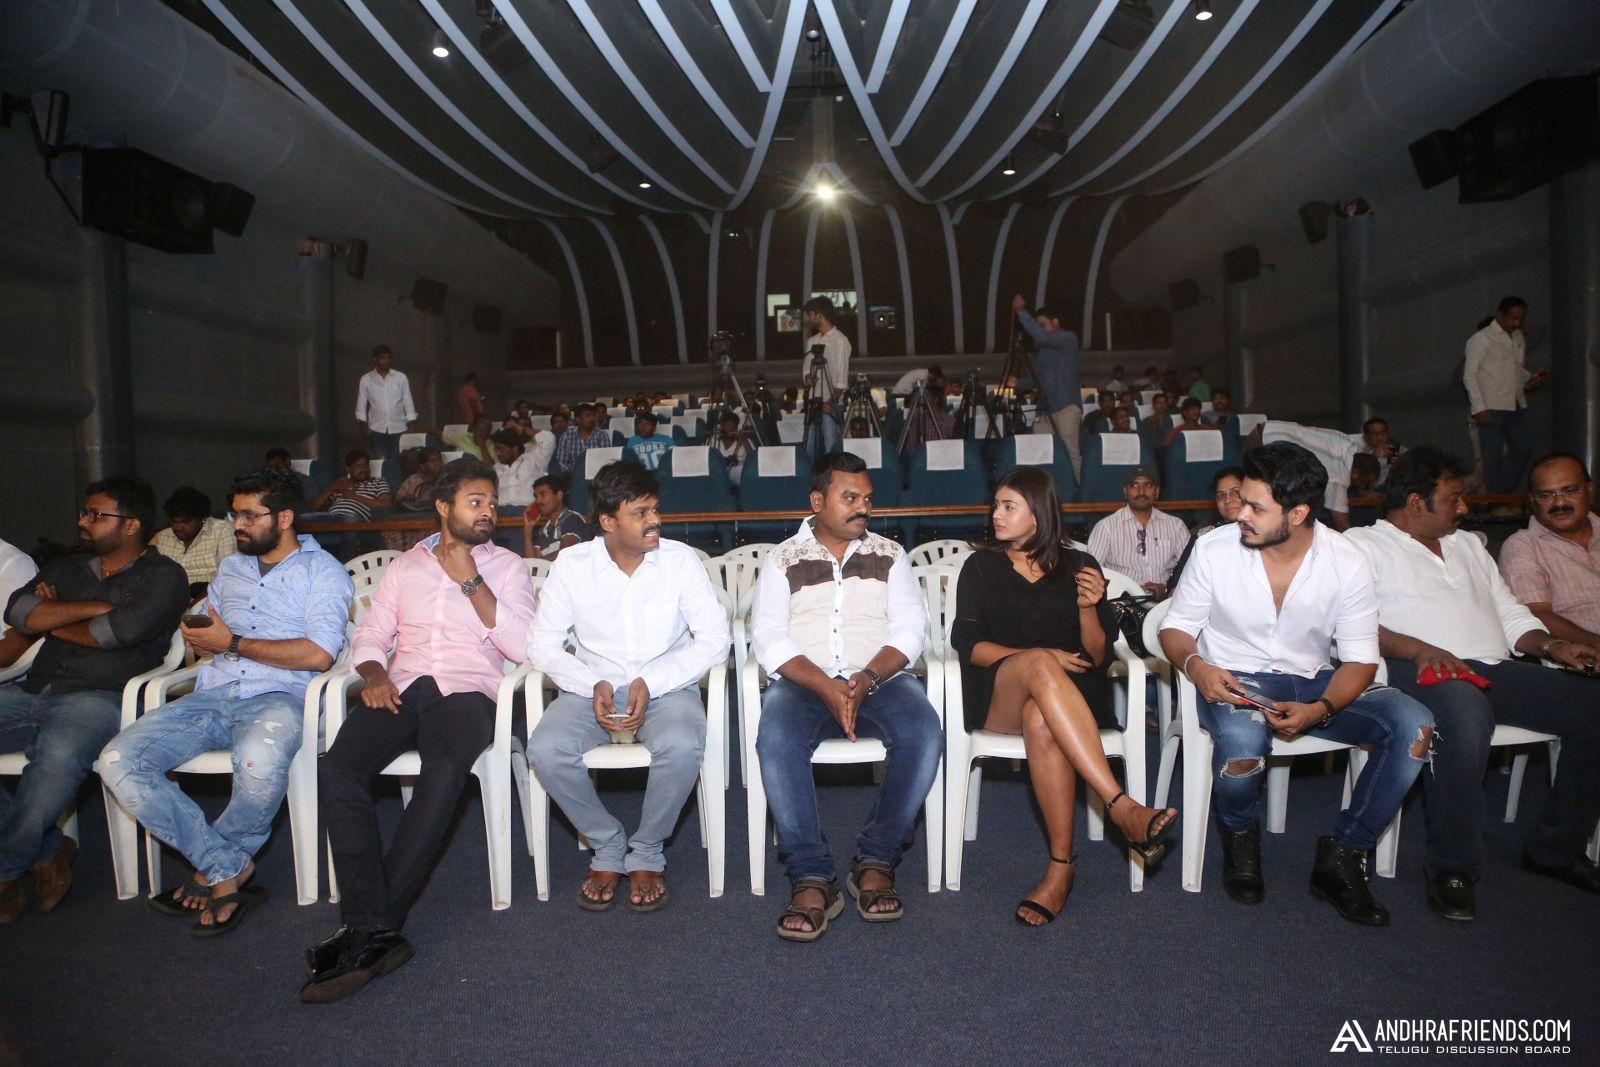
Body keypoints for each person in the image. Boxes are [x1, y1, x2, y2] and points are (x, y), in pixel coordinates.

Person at [1160, 443, 1433, 925]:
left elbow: (1360, 659)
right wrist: (1197, 667)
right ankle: (1240, 838)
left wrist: (1322, 708)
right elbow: (1176, 628)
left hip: (1314, 680)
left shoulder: (1347, 559)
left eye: (1255, 507)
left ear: (1299, 512)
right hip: (1236, 679)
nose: (1240, 514)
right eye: (1240, 501)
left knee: (1414, 725)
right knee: (1242, 744)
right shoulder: (1215, 548)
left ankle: (1344, 855)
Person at [302, 459, 537, 1003]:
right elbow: (370, 635)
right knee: (338, 767)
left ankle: (369, 924)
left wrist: (469, 579)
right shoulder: (405, 567)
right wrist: (374, 674)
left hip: (468, 692)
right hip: (402, 688)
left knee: (444, 770)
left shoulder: (507, 568)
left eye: (491, 503)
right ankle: (375, 926)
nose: (487, 512)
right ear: (443, 506)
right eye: (475, 502)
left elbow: (523, 647)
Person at [1345, 448, 1600, 917]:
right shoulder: (1360, 545)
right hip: (1410, 668)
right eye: (1454, 498)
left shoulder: (1467, 545)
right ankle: (1452, 867)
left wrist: (1551, 647)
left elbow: (1509, 614)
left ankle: (1555, 850)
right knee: (1465, 711)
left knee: (1593, 706)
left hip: (1489, 667)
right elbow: (1352, 624)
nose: (1464, 507)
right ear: (1417, 502)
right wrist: (1419, 649)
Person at [100, 468, 352, 933]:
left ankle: (213, 870)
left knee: (259, 759)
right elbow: (208, 634)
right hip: (214, 693)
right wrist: (197, 632)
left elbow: (319, 654)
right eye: (235, 515)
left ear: (284, 518)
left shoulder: (323, 572)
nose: (238, 525)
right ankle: (225, 866)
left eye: (250, 516)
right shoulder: (231, 568)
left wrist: (232, 642)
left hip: (278, 697)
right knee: (117, 760)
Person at [952, 468, 1177, 926]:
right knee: (1039, 662)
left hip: (1070, 701)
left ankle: (1061, 866)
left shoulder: (1081, 565)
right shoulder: (980, 567)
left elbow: (1096, 656)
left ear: (1038, 514)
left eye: (1009, 506)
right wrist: (1041, 658)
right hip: (999, 695)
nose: (996, 515)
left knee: (1042, 718)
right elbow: (969, 645)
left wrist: (1088, 609)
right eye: (996, 505)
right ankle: (1122, 806)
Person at [751, 452, 941, 942]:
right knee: (776, 738)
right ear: (817, 501)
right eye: (850, 497)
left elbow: (910, 629)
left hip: (880, 679)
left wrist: (868, 677)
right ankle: (811, 875)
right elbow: (768, 636)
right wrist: (824, 685)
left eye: (868, 499)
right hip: (803, 682)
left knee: (922, 732)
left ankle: (877, 859)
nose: (863, 508)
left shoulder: (890, 554)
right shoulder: (782, 558)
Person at [526, 463, 728, 914]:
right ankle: (608, 843)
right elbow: (541, 644)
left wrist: (652, 681)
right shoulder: (573, 566)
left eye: (655, 509)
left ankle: (648, 849)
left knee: (681, 744)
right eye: (641, 513)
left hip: (667, 687)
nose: (655, 521)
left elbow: (715, 640)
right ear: (608, 521)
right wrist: (590, 681)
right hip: (590, 689)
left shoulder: (680, 561)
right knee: (546, 750)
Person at [0, 477, 189, 922]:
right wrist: (93, 608)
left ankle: (5, 872)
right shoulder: (66, 567)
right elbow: (17, 611)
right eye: (85, 512)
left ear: (131, 525)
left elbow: (115, 634)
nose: (83, 521)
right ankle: (48, 848)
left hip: (100, 696)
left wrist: (50, 617)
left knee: (55, 758)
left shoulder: (164, 576)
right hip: (34, 688)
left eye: (95, 514)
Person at [1501, 452, 1600, 646]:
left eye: (1569, 491)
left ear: (1589, 490)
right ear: (1532, 500)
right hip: (1581, 654)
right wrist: (1595, 643)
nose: (1559, 503)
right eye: (1546, 495)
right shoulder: (1523, 546)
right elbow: (1536, 615)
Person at [1465, 295, 1549, 493]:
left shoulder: (1518, 337)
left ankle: (1500, 494)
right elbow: (1469, 375)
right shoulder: (1481, 339)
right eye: (1513, 318)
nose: (1517, 322)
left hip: (1516, 403)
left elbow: (1515, 369)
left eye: (1521, 318)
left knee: (1524, 449)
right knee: (1492, 457)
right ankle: (1496, 500)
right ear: (1500, 314)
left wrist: (1529, 379)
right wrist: (1479, 407)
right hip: (1491, 406)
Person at [1086, 467, 1190, 599]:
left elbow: (1191, 569)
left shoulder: (1175, 525)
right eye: (1135, 485)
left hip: (1166, 602)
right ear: (1125, 491)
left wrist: (1165, 588)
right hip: (1122, 602)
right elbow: (1091, 574)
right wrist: (1128, 590)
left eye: (1148, 485)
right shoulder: (1106, 527)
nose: (1141, 491)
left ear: (1157, 491)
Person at [1011, 293, 1083, 478]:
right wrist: (1018, 384)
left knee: (1070, 453)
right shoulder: (1043, 352)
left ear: (1055, 322)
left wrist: (1022, 312)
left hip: (1066, 406)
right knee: (1042, 455)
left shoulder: (1068, 338)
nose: (1039, 330)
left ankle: (1076, 491)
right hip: (1044, 410)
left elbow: (1042, 337)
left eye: (1042, 324)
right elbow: (1037, 379)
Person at [1262, 421, 1379, 532]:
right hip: (1264, 443)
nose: (1363, 487)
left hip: (1271, 427)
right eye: (1363, 483)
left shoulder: (1350, 445)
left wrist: (1361, 491)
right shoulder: (1337, 476)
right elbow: (1341, 522)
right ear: (1355, 472)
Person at [151, 487, 235, 598]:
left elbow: (229, 578)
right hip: (164, 597)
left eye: (185, 522)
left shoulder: (222, 531)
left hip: (206, 598)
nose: (177, 527)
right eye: (174, 521)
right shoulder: (162, 537)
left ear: (203, 519)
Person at [1168, 466, 1246, 586]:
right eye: (1221, 495)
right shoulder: (1203, 537)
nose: (1227, 500)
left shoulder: (1262, 534)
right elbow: (1176, 586)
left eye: (1235, 492)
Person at [801, 297, 851, 454]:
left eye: (810, 315)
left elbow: (841, 378)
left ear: (819, 315)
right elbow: (806, 369)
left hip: (831, 405)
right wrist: (808, 378)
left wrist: (830, 403)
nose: (809, 319)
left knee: (831, 447)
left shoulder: (840, 340)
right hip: (813, 403)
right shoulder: (812, 341)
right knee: (808, 446)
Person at [354, 344, 416, 466]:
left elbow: (408, 400)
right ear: (375, 359)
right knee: (380, 464)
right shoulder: (366, 379)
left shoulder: (401, 377)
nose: (386, 361)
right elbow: (361, 403)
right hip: (377, 429)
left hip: (399, 428)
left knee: (397, 463)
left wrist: (412, 423)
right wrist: (364, 427)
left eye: (388, 358)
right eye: (382, 358)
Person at [383, 447, 443, 552]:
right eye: (433, 461)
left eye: (440, 460)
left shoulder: (445, 480)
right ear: (423, 466)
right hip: (413, 517)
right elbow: (400, 502)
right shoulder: (413, 480)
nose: (438, 464)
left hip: (435, 518)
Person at [308, 450, 392, 521]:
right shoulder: (340, 485)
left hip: (353, 518)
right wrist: (333, 488)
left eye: (365, 465)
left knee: (347, 519)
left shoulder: (378, 482)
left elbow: (385, 503)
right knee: (304, 519)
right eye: (358, 466)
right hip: (331, 517)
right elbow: (313, 507)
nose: (363, 469)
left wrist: (353, 496)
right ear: (348, 469)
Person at [521, 474, 590, 560]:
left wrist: (540, 562)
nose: (538, 501)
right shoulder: (543, 531)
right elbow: (532, 563)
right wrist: (528, 531)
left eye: (542, 495)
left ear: (559, 495)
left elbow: (564, 555)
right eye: (536, 497)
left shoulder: (572, 519)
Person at [553, 404, 616, 475]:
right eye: (588, 416)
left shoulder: (602, 435)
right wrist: (573, 473)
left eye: (593, 415)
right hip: (572, 474)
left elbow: (606, 460)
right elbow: (561, 461)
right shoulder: (567, 436)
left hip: (596, 475)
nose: (592, 419)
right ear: (578, 420)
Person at [713, 412, 754, 488]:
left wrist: (744, 441)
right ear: (722, 427)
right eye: (728, 425)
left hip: (739, 472)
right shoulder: (714, 441)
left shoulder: (745, 441)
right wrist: (725, 462)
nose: (731, 429)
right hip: (718, 472)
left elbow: (753, 460)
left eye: (734, 427)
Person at [1358, 417, 1403, 485]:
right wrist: (1373, 458)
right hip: (1373, 489)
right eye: (1374, 433)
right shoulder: (1360, 454)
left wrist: (1403, 462)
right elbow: (1357, 479)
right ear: (1366, 436)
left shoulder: (1399, 450)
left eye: (1383, 433)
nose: (1380, 437)